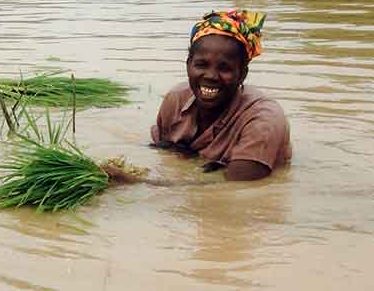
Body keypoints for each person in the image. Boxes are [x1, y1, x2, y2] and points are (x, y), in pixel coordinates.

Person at [123, 9, 291, 182]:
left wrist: (135, 182)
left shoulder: (263, 121)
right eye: (201, 65)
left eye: (224, 68)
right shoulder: (175, 100)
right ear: (188, 65)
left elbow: (233, 189)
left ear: (242, 74)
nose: (211, 76)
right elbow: (162, 154)